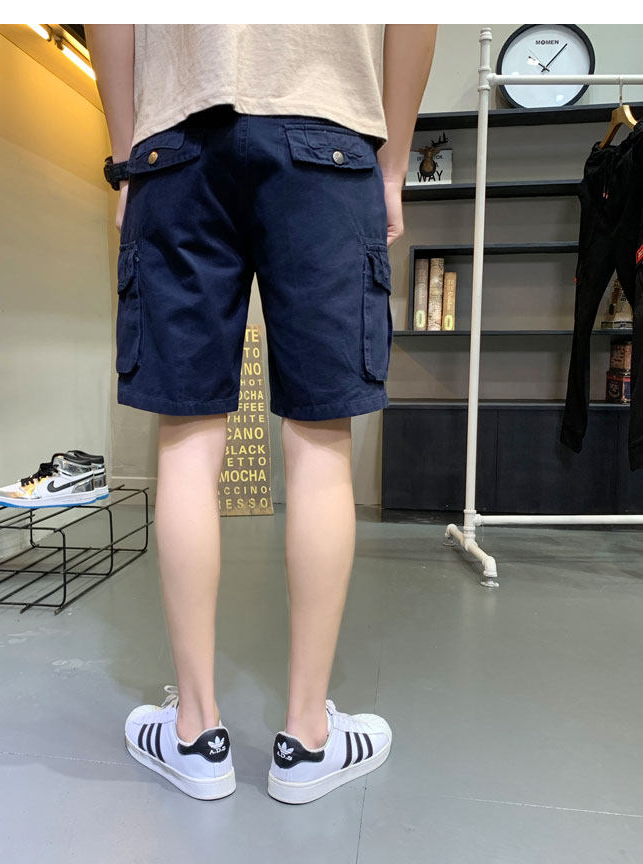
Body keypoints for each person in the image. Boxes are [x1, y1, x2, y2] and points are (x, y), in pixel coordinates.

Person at [86, 23, 437, 804]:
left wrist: (126, 160)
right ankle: (307, 740)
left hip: (177, 145)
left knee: (186, 442)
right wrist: (392, 166)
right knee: (320, 442)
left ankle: (195, 735)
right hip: (327, 138)